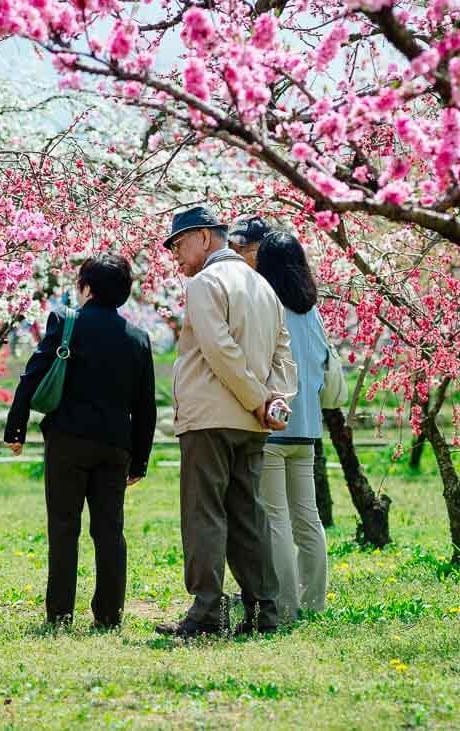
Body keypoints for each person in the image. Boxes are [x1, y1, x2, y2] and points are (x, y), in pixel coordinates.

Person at [154, 205, 297, 638]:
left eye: (179, 244)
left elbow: (219, 350)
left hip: (210, 418)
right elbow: (283, 355)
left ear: (203, 237)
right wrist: (274, 402)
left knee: (204, 515)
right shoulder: (264, 286)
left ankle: (206, 613)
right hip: (253, 423)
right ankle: (262, 612)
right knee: (249, 516)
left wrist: (257, 400)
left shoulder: (205, 283)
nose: (176, 255)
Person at [4, 253, 157, 630]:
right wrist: (140, 460)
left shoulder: (65, 322)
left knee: (64, 525)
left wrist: (17, 427)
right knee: (109, 530)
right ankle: (109, 615)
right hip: (115, 446)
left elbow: (32, 374)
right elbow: (146, 406)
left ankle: (60, 613)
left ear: (85, 288)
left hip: (68, 441)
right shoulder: (138, 338)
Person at [253, 231, 330, 624]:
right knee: (308, 518)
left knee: (276, 519)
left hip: (273, 423)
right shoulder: (310, 309)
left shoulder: (267, 305)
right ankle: (314, 602)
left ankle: (285, 606)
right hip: (308, 428)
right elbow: (322, 361)